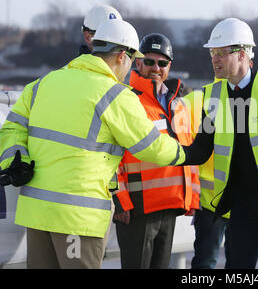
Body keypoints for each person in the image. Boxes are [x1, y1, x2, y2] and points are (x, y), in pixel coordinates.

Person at [0, 19, 186, 269]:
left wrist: (15, 158)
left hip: (37, 213)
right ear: (122, 55)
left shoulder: (44, 83)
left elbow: (12, 126)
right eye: (133, 59)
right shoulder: (115, 94)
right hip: (78, 219)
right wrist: (184, 153)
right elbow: (150, 146)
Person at [181, 17, 258, 269]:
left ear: (241, 54)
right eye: (212, 53)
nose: (214, 59)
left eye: (220, 53)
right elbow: (200, 150)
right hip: (241, 203)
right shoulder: (213, 96)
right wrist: (159, 148)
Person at [112, 33, 200, 269]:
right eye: (149, 61)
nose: (155, 68)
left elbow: (187, 152)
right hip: (138, 208)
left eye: (162, 63)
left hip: (170, 205)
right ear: (137, 62)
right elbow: (111, 154)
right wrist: (120, 200)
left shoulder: (177, 103)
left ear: (169, 66)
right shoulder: (126, 98)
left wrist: (191, 197)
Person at [183, 88, 231, 269]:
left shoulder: (194, 100)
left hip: (236, 201)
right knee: (208, 261)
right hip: (211, 202)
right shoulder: (196, 100)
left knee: (210, 260)